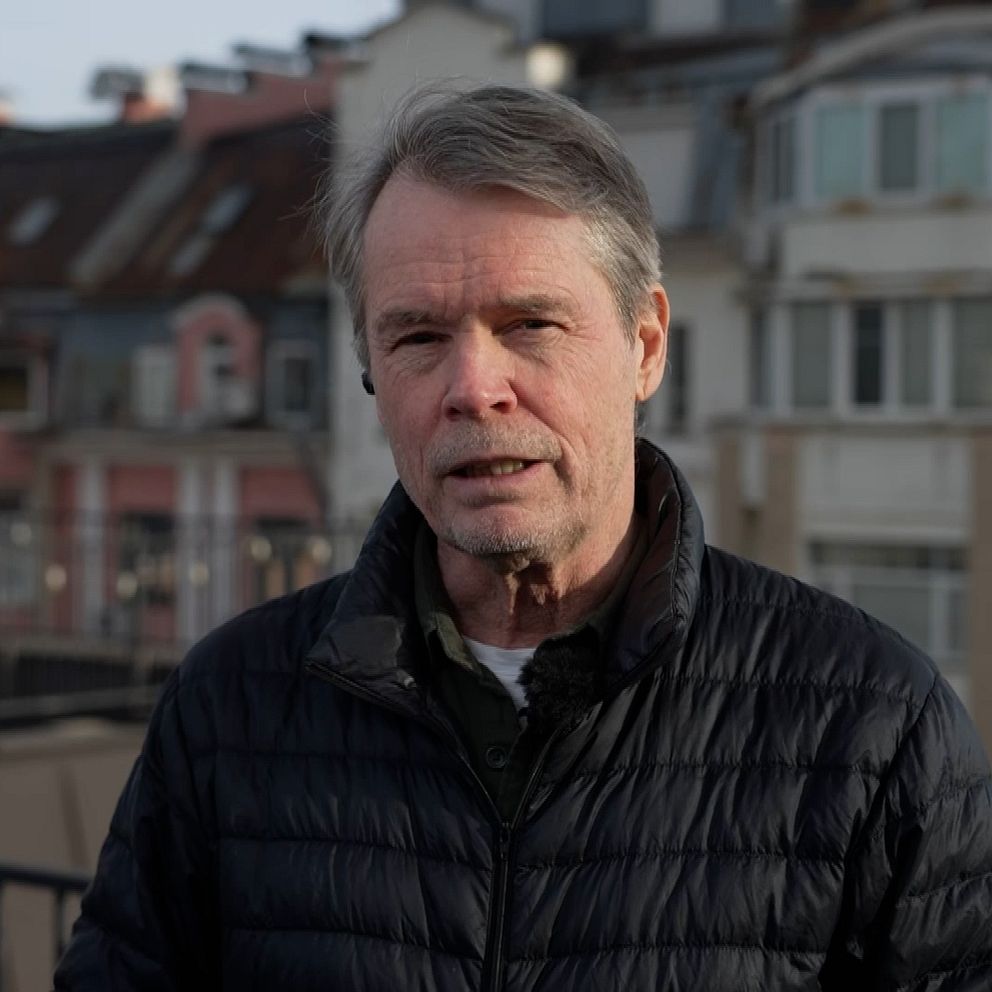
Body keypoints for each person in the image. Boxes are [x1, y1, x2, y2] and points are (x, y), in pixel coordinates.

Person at [56, 83, 992, 991]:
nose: (474, 387)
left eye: (531, 323)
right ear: (371, 369)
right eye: (418, 338)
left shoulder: (872, 725)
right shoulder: (229, 708)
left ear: (646, 345)